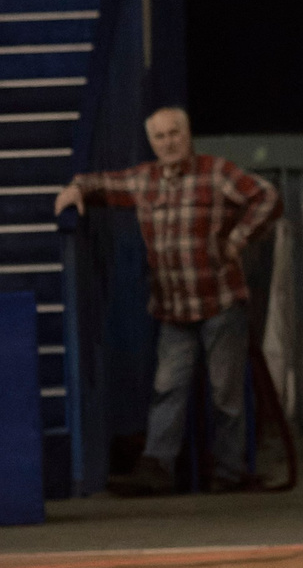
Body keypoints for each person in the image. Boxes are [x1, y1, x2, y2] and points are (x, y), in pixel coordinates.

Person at [56, 106, 279, 495]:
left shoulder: (215, 172)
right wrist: (76, 189)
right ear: (152, 142)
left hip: (221, 301)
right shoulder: (146, 180)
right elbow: (104, 184)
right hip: (174, 309)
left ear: (187, 134)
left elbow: (265, 196)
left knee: (225, 394)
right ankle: (157, 468)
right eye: (160, 137)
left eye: (174, 133)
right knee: (167, 390)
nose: (168, 142)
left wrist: (239, 237)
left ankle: (228, 473)